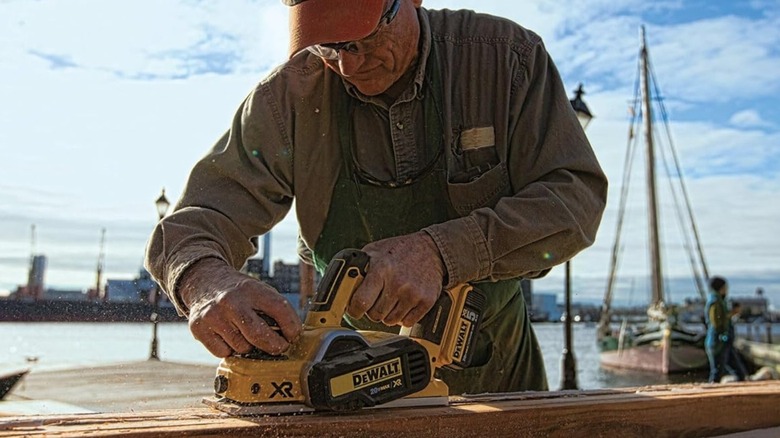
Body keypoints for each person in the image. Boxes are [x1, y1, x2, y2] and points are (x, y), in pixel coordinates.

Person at [145, 0, 607, 394]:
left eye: (361, 37)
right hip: (350, 380)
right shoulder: (287, 100)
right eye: (329, 46)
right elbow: (196, 220)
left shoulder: (506, 61)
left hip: (498, 374)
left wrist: (440, 254)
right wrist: (206, 283)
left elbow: (575, 200)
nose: (348, 64)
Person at [704, 276, 744, 383]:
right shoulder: (715, 302)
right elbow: (716, 322)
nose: (727, 289)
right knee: (717, 372)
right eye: (725, 287)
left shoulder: (719, 301)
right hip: (718, 343)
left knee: (739, 372)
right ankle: (711, 396)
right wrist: (731, 314)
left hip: (724, 342)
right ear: (721, 288)